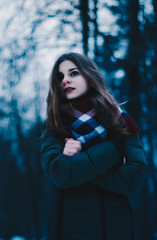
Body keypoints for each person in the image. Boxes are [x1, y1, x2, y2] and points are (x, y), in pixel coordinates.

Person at [40, 52, 147, 240]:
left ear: (90, 75)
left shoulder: (122, 122)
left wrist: (80, 163)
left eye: (73, 73)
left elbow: (134, 177)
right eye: (60, 76)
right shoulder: (55, 124)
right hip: (68, 232)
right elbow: (59, 172)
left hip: (116, 232)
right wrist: (113, 153)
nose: (65, 80)